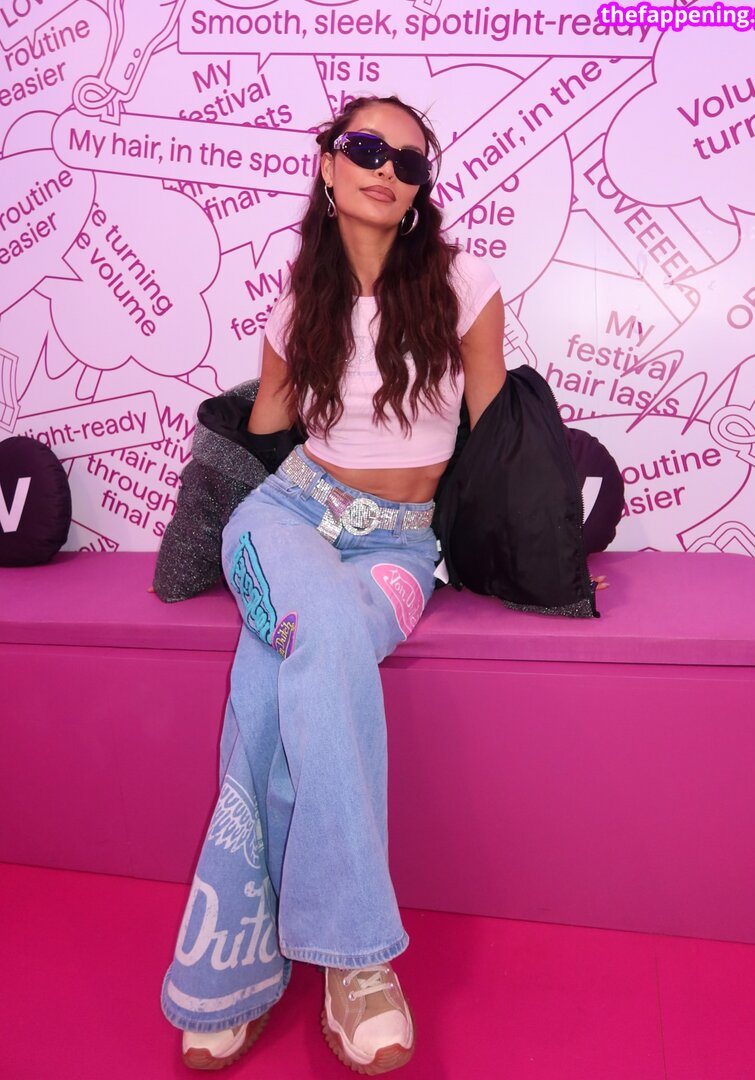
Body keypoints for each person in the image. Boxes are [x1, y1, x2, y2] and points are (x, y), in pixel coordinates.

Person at [160, 95, 507, 1074]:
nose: (387, 168)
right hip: (284, 521)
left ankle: (233, 962)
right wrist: (195, 537)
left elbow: (495, 437)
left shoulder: (463, 283)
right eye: (366, 148)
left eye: (410, 160)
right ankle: (357, 962)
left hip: (397, 551)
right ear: (327, 165)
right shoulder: (294, 307)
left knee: (289, 665)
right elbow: (265, 436)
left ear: (420, 189)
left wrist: (542, 556)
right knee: (315, 627)